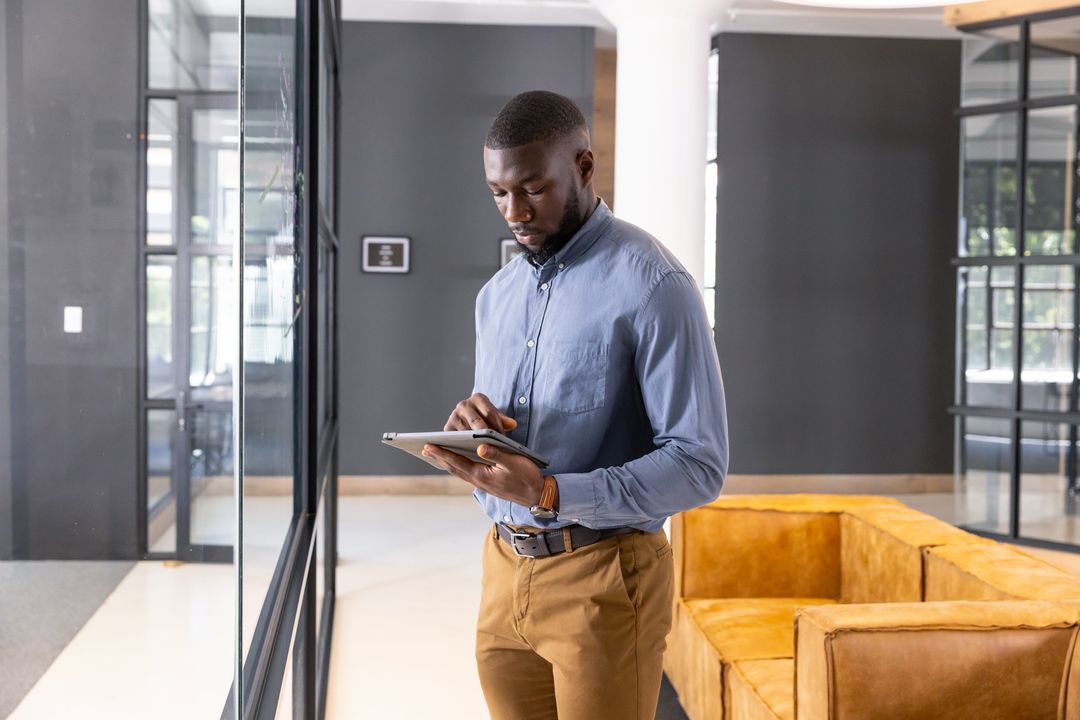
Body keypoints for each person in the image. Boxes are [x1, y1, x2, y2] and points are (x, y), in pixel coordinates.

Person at [421, 90, 728, 720]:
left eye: (533, 187)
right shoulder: (496, 296)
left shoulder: (656, 285)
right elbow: (510, 438)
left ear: (584, 167)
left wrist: (552, 492)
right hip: (503, 571)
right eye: (499, 193)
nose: (514, 210)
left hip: (606, 578)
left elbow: (700, 464)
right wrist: (472, 432)